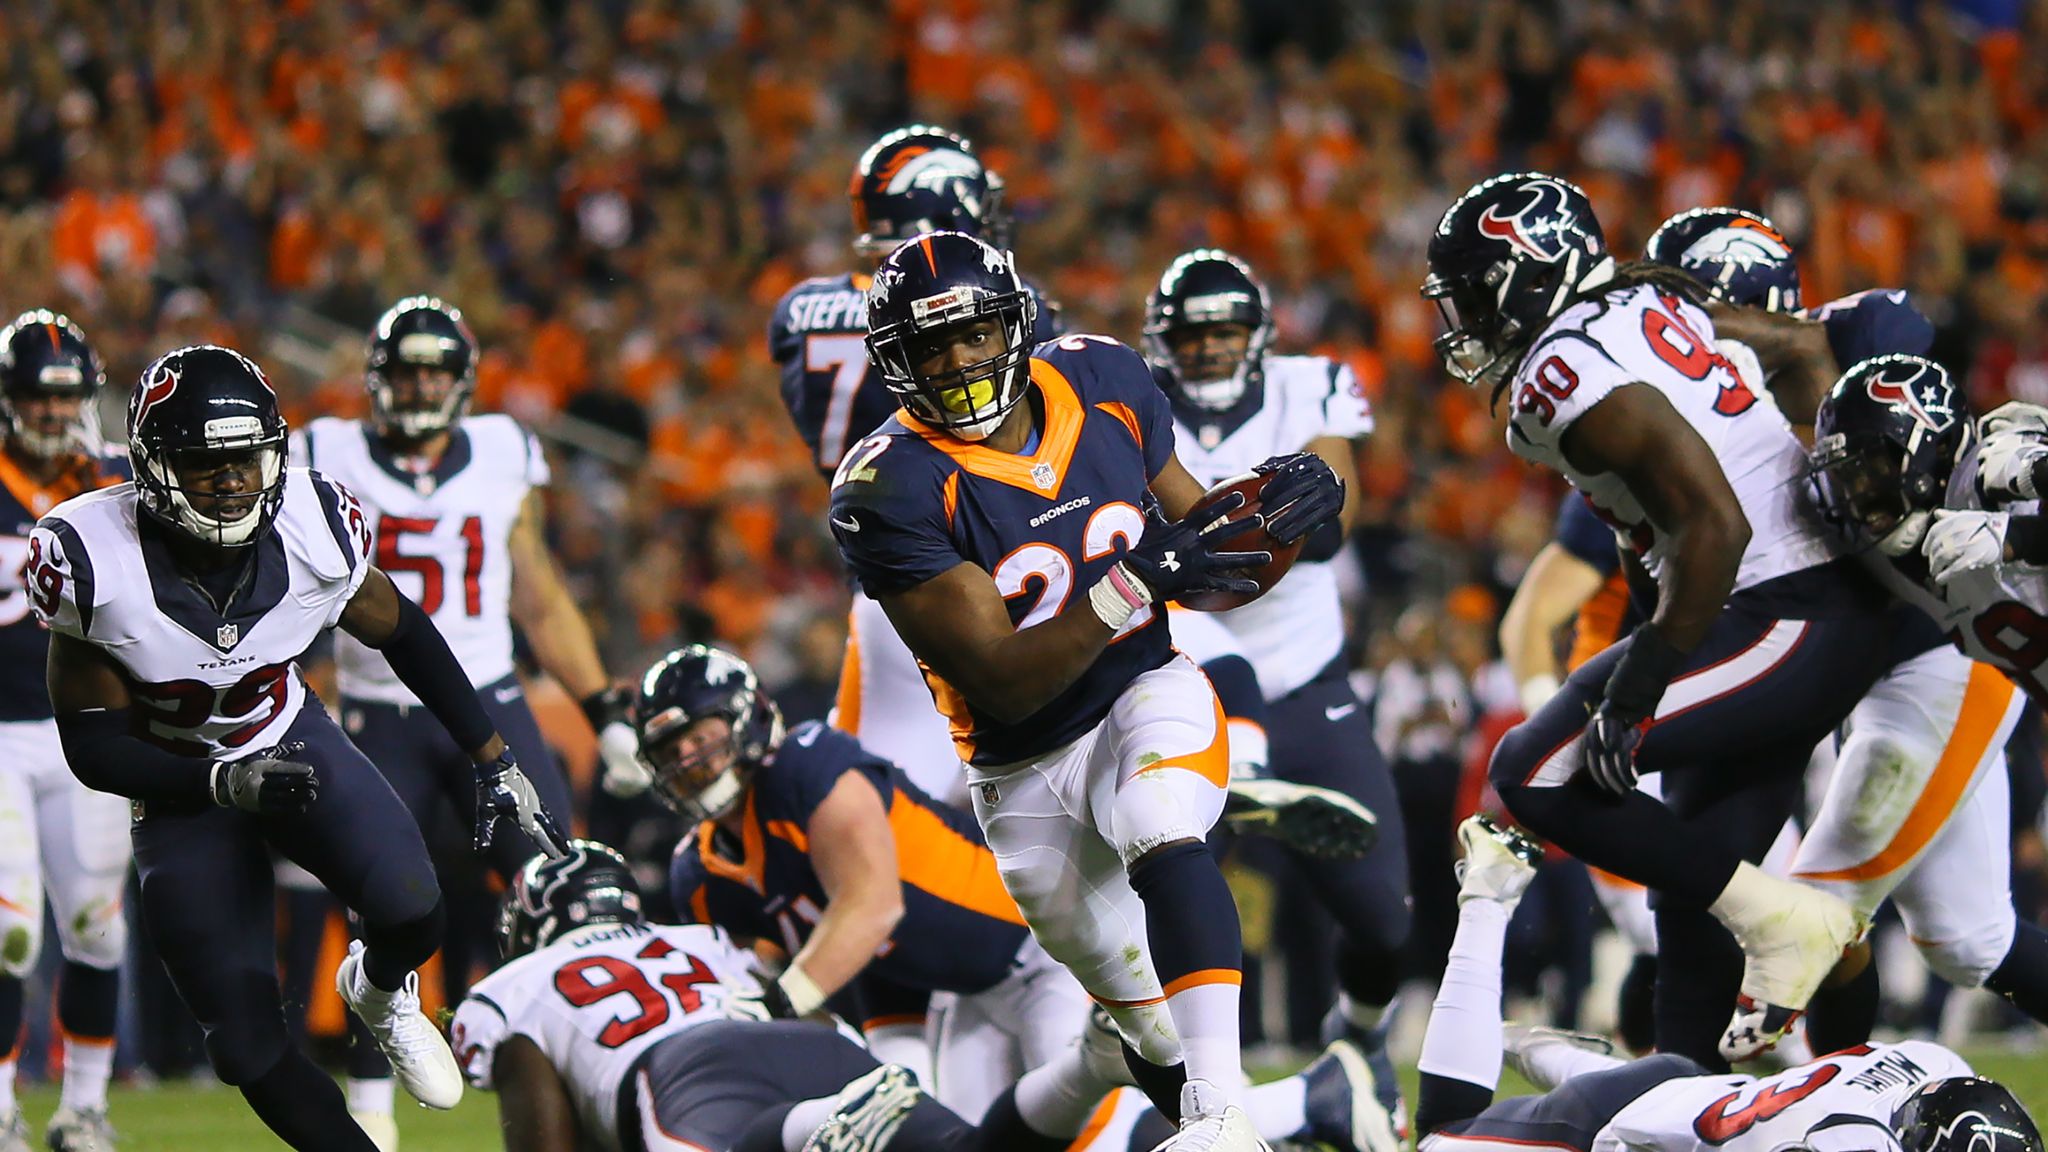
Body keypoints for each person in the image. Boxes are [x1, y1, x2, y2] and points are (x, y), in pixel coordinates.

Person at [829, 229, 1350, 1150]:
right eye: (929, 347)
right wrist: (1141, 578)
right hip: (1018, 763)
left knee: (1158, 820)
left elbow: (1214, 561)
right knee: (1148, 1024)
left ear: (1015, 325)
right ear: (895, 362)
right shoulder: (889, 484)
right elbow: (1004, 679)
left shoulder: (1103, 380)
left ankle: (1225, 1118)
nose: (957, 363)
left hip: (1144, 687)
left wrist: (1276, 520)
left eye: (975, 335)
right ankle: (1240, 1114)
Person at [31, 345, 562, 1152]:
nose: (234, 480)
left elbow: (406, 630)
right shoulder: (89, 558)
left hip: (289, 737)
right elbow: (93, 748)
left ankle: (381, 994)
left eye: (247, 458)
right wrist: (221, 782)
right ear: (152, 466)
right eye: (207, 464)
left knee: (414, 908)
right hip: (180, 787)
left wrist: (492, 755)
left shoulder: (314, 521)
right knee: (243, 1044)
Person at [1422, 172, 1893, 1065]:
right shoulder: (1643, 297)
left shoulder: (1561, 371)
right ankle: (1830, 1098)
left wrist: (1640, 684)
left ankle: (1803, 928)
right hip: (1794, 600)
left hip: (1778, 608)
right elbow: (1801, 345)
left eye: (1475, 298)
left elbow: (1716, 526)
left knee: (1534, 771)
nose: (1465, 326)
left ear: (1531, 275)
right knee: (1692, 914)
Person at [644, 644, 1381, 1151]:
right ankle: (1306, 1098)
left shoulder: (807, 767)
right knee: (973, 1142)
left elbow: (870, 910)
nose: (687, 758)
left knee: (1095, 1140)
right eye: (667, 750)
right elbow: (846, 963)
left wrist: (780, 1004)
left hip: (1038, 947)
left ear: (743, 717)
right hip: (947, 985)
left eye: (696, 735)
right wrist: (879, 1053)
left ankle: (1310, 1101)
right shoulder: (700, 869)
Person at [1645, 206, 2030, 1052]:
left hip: (1937, 659)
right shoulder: (1676, 428)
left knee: (1813, 920)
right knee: (1971, 940)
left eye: (1671, 322)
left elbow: (1906, 472)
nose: (1654, 346)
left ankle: (1832, 1116)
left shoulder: (1868, 336)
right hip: (1851, 669)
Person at [290, 296, 635, 1145]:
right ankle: (371, 1115)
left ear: (462, 381)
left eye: (434, 371)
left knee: (559, 886)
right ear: (376, 377)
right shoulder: (322, 450)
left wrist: (602, 710)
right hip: (377, 709)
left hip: (487, 700)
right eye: (405, 370)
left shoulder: (505, 452)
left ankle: (594, 1079)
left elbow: (540, 592)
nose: (419, 385)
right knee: (382, 902)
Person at [468, 840, 1321, 1152]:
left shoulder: (519, 985)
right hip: (814, 1049)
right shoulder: (697, 942)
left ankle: (814, 1133)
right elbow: (792, 1004)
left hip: (691, 1075)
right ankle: (1090, 1067)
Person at [1140, 248, 1408, 1130]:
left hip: (1299, 683)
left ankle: (1357, 1036)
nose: (1211, 348)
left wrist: (1220, 525)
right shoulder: (1132, 399)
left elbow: (1334, 518)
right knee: (1162, 917)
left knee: (1383, 919)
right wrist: (1262, 513)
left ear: (1256, 336)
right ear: (1164, 340)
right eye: (1195, 333)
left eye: (1226, 331)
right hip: (1176, 684)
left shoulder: (1311, 384)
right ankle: (1176, 1094)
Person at [1411, 813, 2043, 1152]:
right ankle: (1489, 895)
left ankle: (1542, 1051)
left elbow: (1843, 1038)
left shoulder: (1936, 1064)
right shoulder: (1846, 1145)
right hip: (1615, 1124)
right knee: (1442, 1135)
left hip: (1691, 1091)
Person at [771, 125, 1057, 808]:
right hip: (993, 563)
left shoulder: (798, 313)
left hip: (884, 575)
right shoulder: (975, 309)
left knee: (892, 809)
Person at [1802, 354, 2048, 1029]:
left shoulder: (1999, 466)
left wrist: (2017, 533)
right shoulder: (1886, 548)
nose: (1860, 494)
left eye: (1873, 470)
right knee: (1965, 939)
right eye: (1847, 478)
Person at [0, 312, 129, 1152]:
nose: (56, 412)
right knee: (9, 933)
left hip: (85, 731)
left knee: (96, 925)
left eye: (68, 396)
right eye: (40, 398)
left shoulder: (115, 482)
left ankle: (84, 1105)